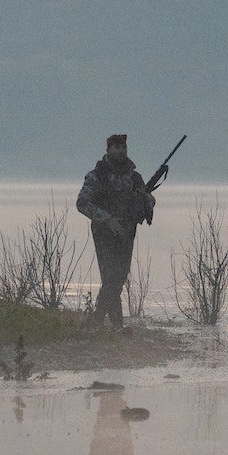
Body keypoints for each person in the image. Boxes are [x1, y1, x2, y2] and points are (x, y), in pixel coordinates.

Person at [77, 134, 155, 329]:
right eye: (117, 147)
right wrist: (107, 220)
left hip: (127, 232)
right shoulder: (97, 175)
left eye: (123, 147)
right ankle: (109, 324)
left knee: (119, 277)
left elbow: (149, 201)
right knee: (110, 277)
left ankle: (106, 324)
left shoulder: (134, 177)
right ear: (108, 150)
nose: (121, 151)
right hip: (104, 232)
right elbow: (82, 203)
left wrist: (145, 199)